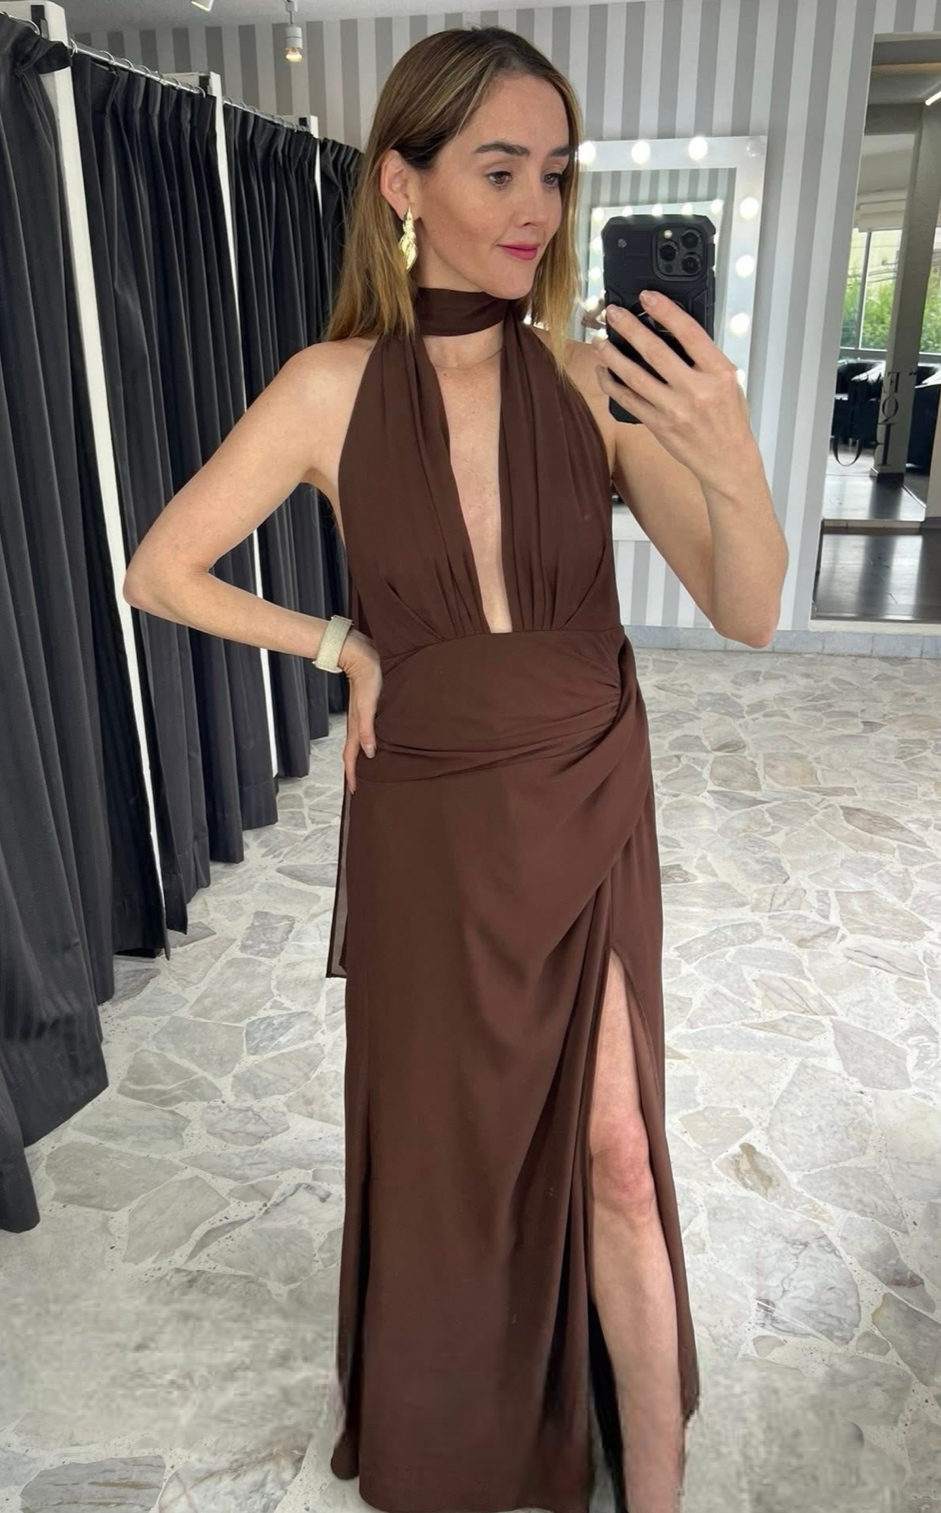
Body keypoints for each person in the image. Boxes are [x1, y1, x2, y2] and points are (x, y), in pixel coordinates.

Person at [124, 24, 787, 1513]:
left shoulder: (587, 381)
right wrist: (339, 644)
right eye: (498, 169)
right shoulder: (328, 388)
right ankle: (463, 1416)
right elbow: (161, 569)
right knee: (448, 1144)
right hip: (430, 817)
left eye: (555, 172)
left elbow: (747, 610)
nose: (536, 207)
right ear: (401, 182)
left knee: (618, 1152)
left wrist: (727, 446)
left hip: (586, 791)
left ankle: (657, 1486)